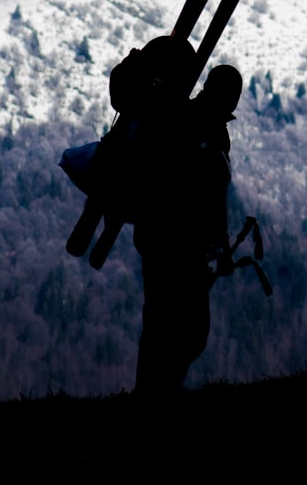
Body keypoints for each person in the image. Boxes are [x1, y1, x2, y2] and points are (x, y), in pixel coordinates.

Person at [120, 40, 243, 395]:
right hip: (176, 243)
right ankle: (156, 395)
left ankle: (154, 393)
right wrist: (216, 245)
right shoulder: (200, 128)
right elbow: (207, 195)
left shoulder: (191, 121)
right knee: (180, 328)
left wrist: (216, 245)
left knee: (167, 324)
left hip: (164, 239)